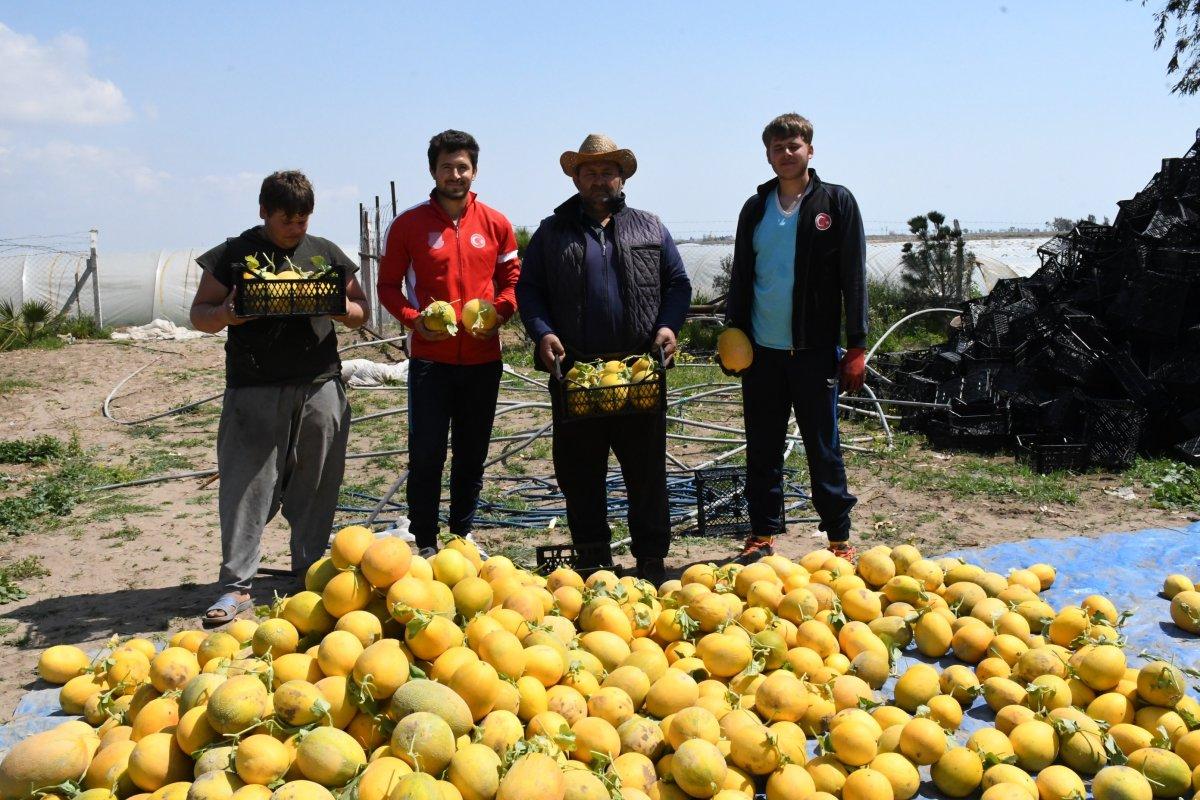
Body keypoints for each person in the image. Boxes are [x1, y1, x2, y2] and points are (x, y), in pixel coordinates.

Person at [190, 170, 369, 624]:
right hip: (254, 386)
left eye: (304, 218)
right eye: (287, 218)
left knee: (317, 479)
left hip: (319, 384)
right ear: (263, 211)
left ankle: (308, 570)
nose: (297, 227)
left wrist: (341, 309)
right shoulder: (234, 254)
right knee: (247, 485)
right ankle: (236, 586)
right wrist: (229, 313)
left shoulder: (326, 253)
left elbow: (359, 310)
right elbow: (200, 315)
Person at [517, 134, 691, 585]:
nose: (599, 180)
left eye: (607, 171)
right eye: (589, 172)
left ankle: (651, 558)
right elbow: (529, 290)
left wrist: (669, 326)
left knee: (646, 471)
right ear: (576, 178)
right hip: (576, 372)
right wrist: (543, 333)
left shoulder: (649, 227)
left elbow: (678, 285)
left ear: (622, 176)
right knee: (580, 474)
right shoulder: (551, 233)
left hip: (639, 372)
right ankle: (593, 559)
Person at [720, 113, 867, 564]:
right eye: (777, 147)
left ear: (810, 149)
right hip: (762, 351)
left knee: (823, 446)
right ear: (767, 154)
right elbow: (742, 276)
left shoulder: (835, 203)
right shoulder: (756, 207)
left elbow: (854, 278)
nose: (786, 153)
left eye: (794, 145)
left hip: (814, 351)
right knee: (762, 446)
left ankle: (838, 538)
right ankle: (762, 533)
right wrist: (732, 335)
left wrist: (857, 345)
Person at [377, 130, 520, 559]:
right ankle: (424, 539)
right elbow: (388, 286)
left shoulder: (496, 223)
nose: (455, 175)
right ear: (433, 171)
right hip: (430, 360)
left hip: (482, 359)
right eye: (446, 167)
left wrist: (501, 313)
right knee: (426, 453)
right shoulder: (408, 225)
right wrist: (414, 320)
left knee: (472, 452)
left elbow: (512, 281)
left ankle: (462, 533)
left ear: (474, 170)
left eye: (462, 167)